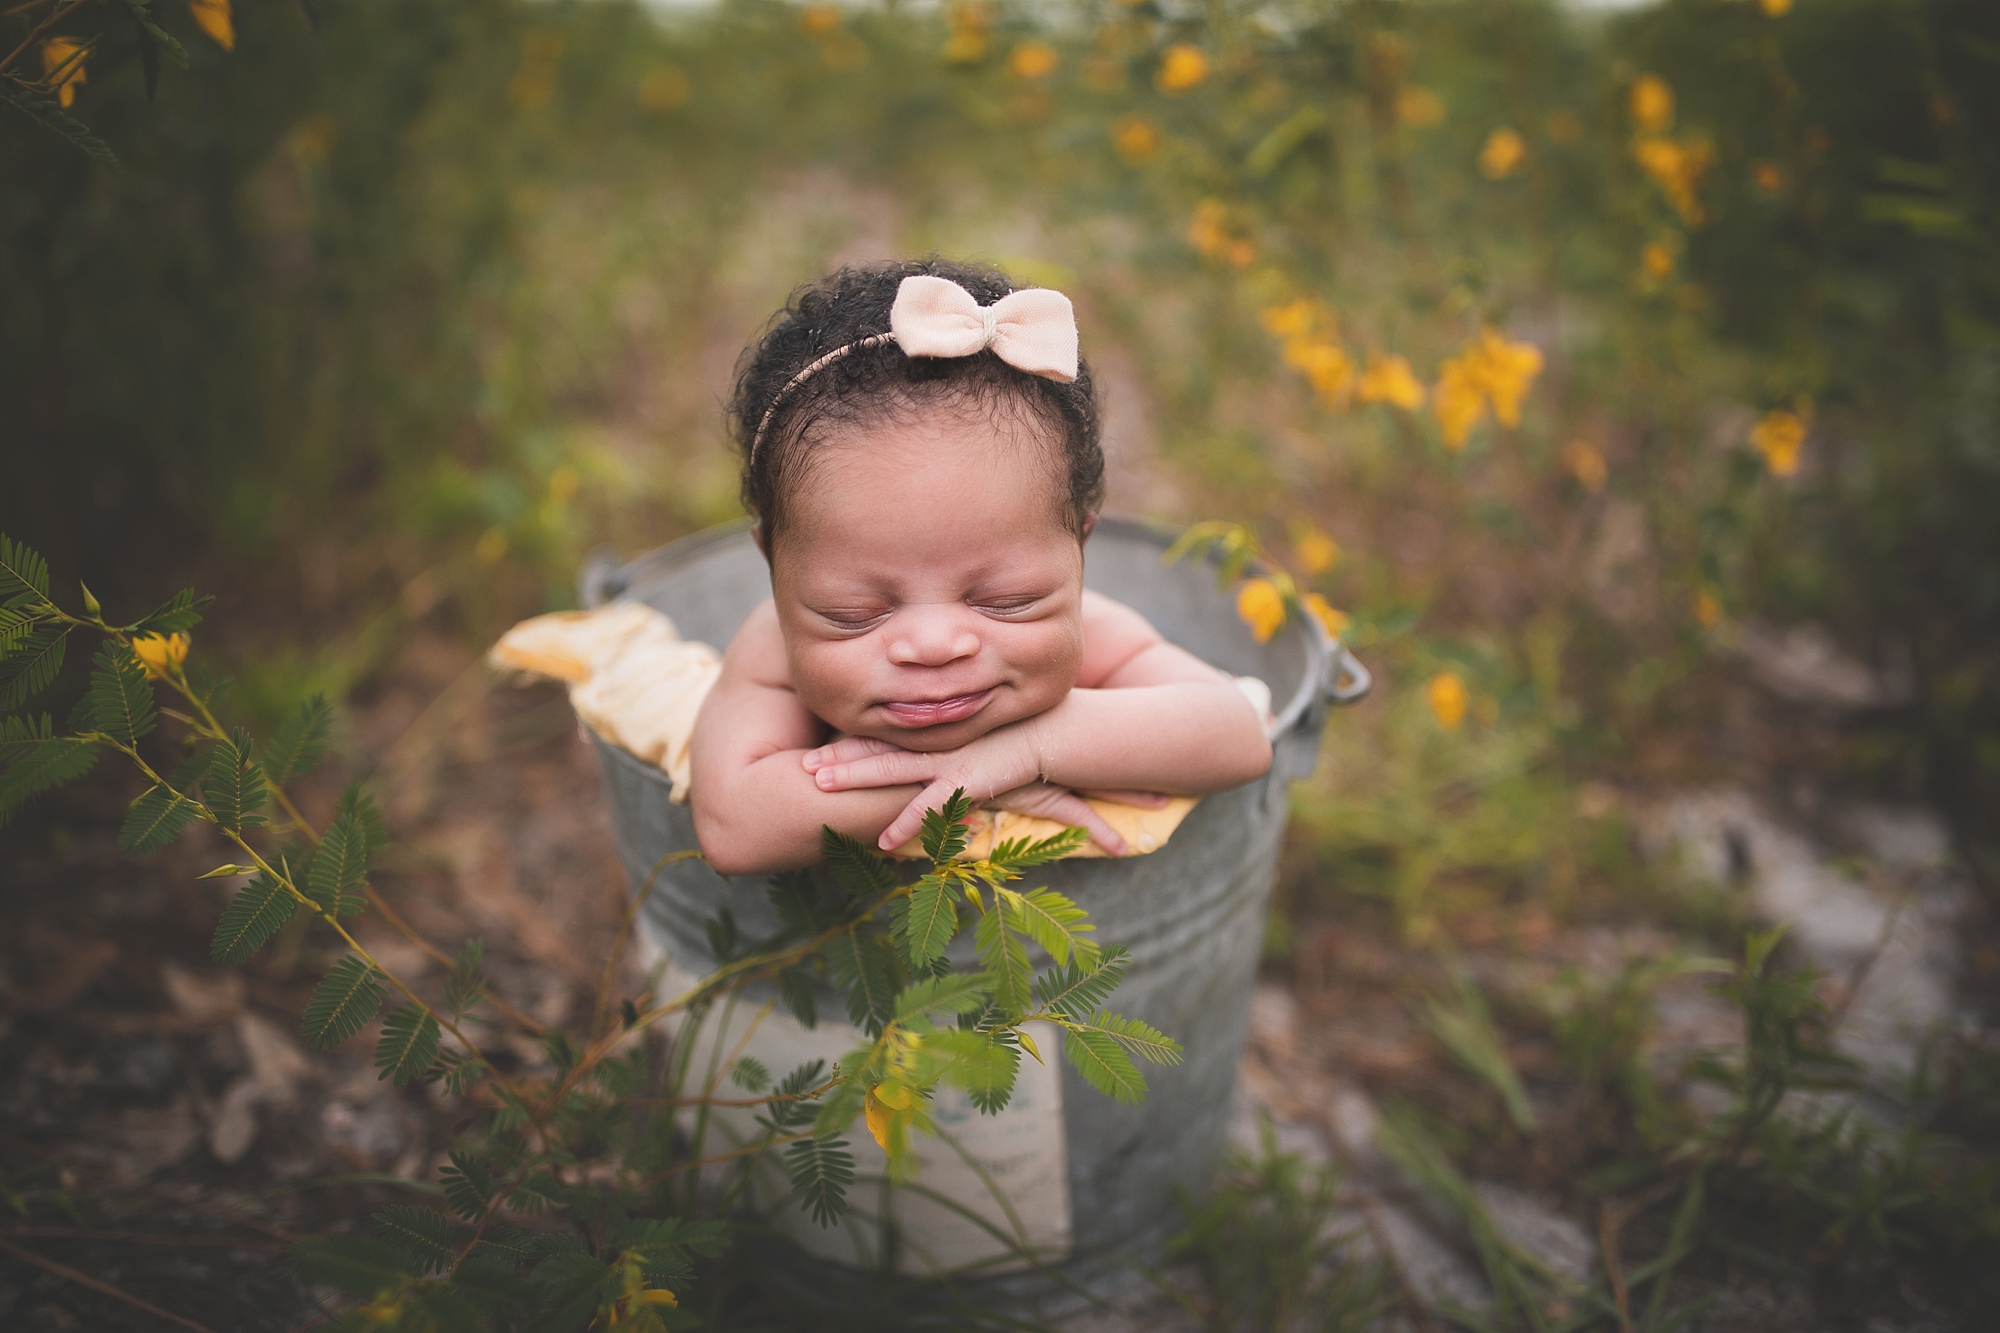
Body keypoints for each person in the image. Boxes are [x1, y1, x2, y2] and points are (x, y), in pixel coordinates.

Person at [690, 259, 1273, 875]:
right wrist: (967, 781)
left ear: (1079, 547)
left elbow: (1239, 733)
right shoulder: (771, 649)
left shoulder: (1095, 635)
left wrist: (1032, 748)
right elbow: (736, 826)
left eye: (1006, 600)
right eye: (853, 614)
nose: (934, 645)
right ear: (773, 570)